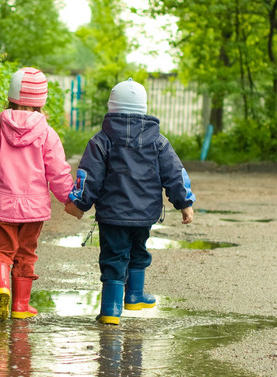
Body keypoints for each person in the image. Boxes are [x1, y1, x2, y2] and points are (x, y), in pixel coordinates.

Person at [65, 78, 195, 325]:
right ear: (144, 108)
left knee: (114, 256)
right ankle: (134, 295)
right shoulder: (158, 141)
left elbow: (88, 176)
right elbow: (175, 173)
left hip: (112, 214)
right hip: (144, 214)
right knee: (138, 249)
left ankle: (111, 311)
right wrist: (184, 202)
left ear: (112, 107)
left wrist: (79, 203)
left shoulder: (101, 140)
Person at [0, 67, 74, 322]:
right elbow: (58, 171)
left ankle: (1, 288)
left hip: (1, 208)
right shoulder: (47, 134)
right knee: (26, 255)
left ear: (11, 97)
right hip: (34, 211)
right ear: (41, 102)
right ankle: (21, 306)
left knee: (0, 253)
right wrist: (69, 198)